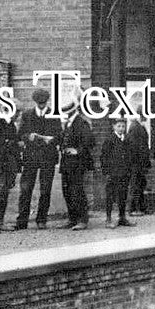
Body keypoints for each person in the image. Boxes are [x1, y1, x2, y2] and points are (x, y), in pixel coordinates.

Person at [15, 89, 61, 230]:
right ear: (35, 102)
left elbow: (60, 135)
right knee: (26, 189)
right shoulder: (27, 114)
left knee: (45, 190)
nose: (41, 105)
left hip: (48, 157)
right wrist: (28, 136)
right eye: (39, 103)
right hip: (31, 157)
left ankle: (41, 219)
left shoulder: (54, 114)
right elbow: (20, 134)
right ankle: (22, 220)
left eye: (43, 103)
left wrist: (51, 140)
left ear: (47, 101)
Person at [59, 98, 95, 230]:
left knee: (77, 191)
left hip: (77, 164)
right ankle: (72, 219)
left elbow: (90, 141)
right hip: (67, 163)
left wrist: (77, 151)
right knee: (67, 191)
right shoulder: (69, 123)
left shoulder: (81, 123)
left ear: (73, 111)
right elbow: (62, 138)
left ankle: (82, 220)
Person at [100, 119, 136, 228]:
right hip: (113, 173)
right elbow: (103, 157)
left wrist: (129, 169)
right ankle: (108, 219)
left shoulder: (127, 140)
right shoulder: (109, 140)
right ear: (114, 127)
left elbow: (130, 155)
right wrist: (107, 172)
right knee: (110, 196)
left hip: (124, 173)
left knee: (123, 195)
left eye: (123, 126)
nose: (121, 129)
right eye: (119, 126)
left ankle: (122, 217)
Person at [124, 113, 151, 217]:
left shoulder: (138, 126)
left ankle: (141, 207)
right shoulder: (135, 127)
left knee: (141, 184)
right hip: (136, 162)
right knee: (135, 185)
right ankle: (132, 209)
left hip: (139, 162)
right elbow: (135, 147)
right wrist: (139, 162)